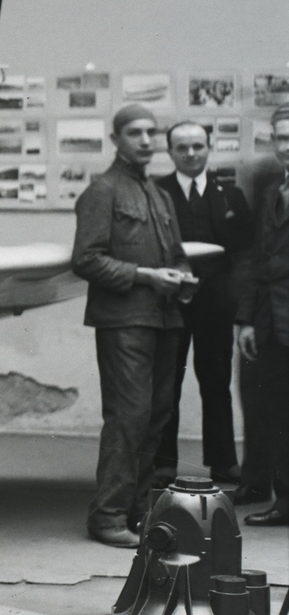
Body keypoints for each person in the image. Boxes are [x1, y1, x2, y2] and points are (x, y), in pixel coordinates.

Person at [71, 104, 193, 548]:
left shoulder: (158, 195)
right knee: (129, 417)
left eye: (151, 132)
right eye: (135, 133)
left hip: (164, 317)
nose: (145, 140)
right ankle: (107, 516)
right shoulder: (103, 191)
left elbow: (176, 253)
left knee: (156, 417)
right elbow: (86, 259)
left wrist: (180, 276)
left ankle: (139, 511)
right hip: (124, 321)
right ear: (116, 139)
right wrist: (145, 277)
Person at [153, 121, 253, 486]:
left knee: (216, 383)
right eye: (182, 147)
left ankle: (224, 462)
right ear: (170, 152)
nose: (191, 153)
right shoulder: (156, 192)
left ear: (209, 147)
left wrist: (238, 304)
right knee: (167, 384)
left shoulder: (230, 196)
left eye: (198, 146)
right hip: (170, 303)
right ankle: (163, 464)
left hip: (215, 305)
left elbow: (242, 254)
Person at [236, 104, 289, 527]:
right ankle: (285, 503)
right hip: (272, 322)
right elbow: (258, 259)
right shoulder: (273, 190)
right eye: (282, 138)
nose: (287, 147)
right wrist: (248, 319)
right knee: (275, 414)